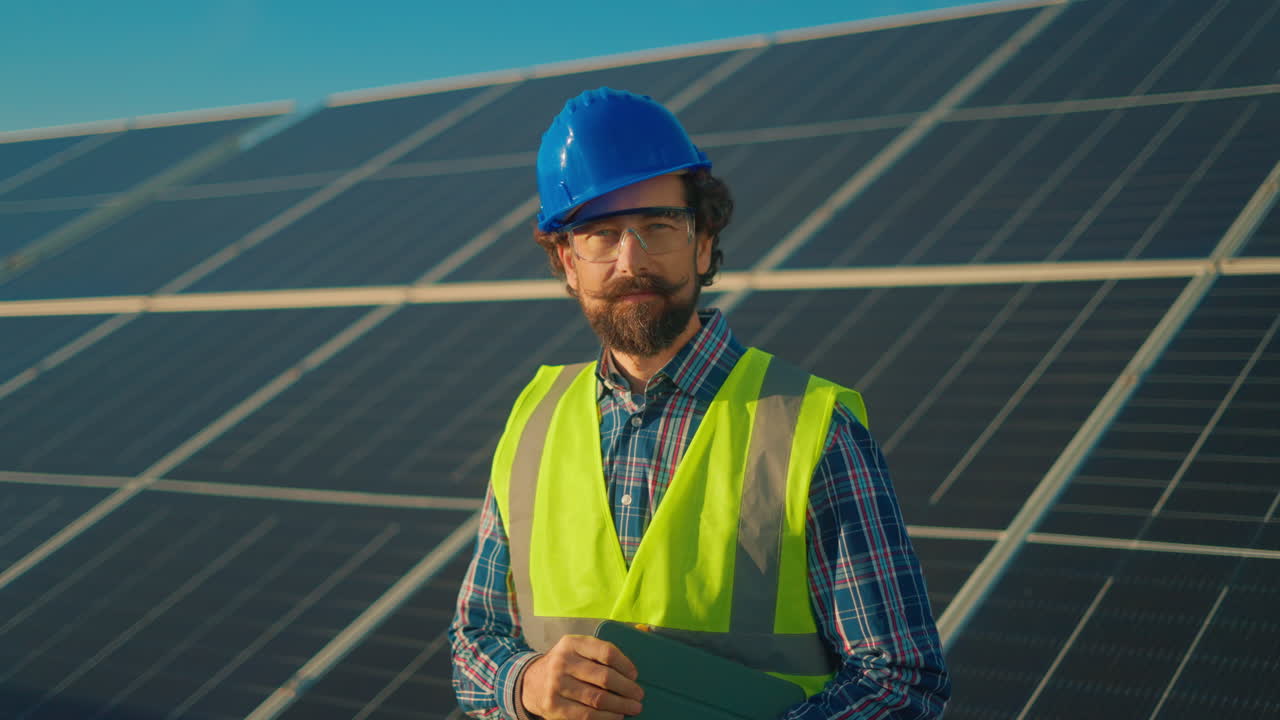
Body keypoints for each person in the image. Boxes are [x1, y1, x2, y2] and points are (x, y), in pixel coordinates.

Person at [449, 87, 949, 720]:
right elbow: (474, 641)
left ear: (704, 242)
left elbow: (901, 683)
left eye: (658, 226)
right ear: (566, 262)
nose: (631, 261)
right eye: (600, 235)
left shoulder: (814, 430)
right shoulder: (533, 421)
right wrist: (523, 683)